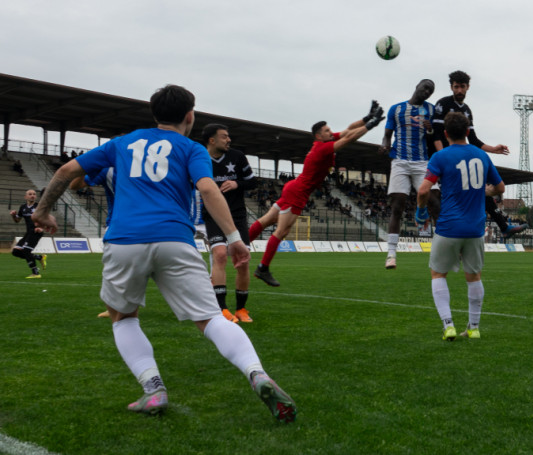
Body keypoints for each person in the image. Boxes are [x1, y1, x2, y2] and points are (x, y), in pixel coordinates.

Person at [32, 84, 296, 421]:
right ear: (190, 116)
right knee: (211, 319)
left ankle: (153, 389)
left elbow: (67, 172)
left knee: (123, 318)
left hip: (125, 239)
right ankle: (256, 373)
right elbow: (206, 188)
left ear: (155, 114)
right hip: (175, 239)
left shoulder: (121, 143)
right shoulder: (191, 149)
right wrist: (234, 238)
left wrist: (41, 211)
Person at [250, 102, 385, 285]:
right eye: (327, 131)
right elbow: (348, 140)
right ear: (318, 135)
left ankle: (238, 245)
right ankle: (263, 268)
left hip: (294, 188)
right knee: (282, 231)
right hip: (298, 192)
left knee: (266, 221)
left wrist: (367, 118)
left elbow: (347, 131)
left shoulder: (324, 142)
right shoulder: (322, 148)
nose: (331, 132)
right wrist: (370, 126)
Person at [415, 112, 504, 341]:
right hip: (475, 229)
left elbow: (424, 190)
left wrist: (421, 212)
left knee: (438, 274)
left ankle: (448, 325)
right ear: (467, 132)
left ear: (445, 134)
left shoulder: (440, 156)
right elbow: (500, 187)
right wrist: (483, 191)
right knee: (474, 277)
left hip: (449, 227)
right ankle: (473, 328)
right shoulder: (482, 156)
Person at [432, 70, 527, 240]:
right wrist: (444, 157)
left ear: (468, 87)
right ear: (451, 87)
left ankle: (503, 226)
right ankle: (439, 224)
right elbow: (436, 135)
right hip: (445, 159)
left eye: (462, 86)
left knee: (478, 187)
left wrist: (493, 149)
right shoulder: (442, 104)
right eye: (456, 87)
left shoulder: (467, 111)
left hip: (460, 158)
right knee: (447, 195)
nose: (459, 90)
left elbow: (473, 139)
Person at [200, 124, 257, 323]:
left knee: (243, 261)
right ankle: (222, 309)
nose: (229, 139)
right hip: (212, 215)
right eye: (224, 137)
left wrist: (237, 183)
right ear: (212, 140)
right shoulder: (200, 158)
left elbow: (252, 182)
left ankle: (241, 309)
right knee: (220, 255)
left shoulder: (237, 156)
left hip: (238, 216)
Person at [380, 79, 436, 270]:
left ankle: (442, 247)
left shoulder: (431, 109)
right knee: (398, 205)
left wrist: (430, 130)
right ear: (417, 86)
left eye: (430, 90)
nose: (427, 91)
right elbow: (387, 134)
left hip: (422, 162)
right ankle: (391, 254)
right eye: (425, 87)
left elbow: (435, 135)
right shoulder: (396, 109)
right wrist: (385, 144)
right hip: (400, 161)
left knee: (435, 201)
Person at [70, 166, 116, 318]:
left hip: (121, 224)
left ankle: (115, 311)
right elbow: (75, 185)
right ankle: (113, 308)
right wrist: (85, 166)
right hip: (121, 223)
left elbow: (73, 184)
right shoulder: (109, 169)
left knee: (113, 268)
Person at [10, 189, 47, 278]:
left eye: (34, 194)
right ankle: (39, 258)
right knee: (15, 252)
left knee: (26, 251)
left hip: (36, 232)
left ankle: (35, 273)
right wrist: (13, 215)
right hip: (28, 233)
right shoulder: (23, 207)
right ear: (25, 197)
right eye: (30, 194)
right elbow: (17, 220)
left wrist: (41, 228)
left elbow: (45, 218)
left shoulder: (38, 206)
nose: (32, 196)